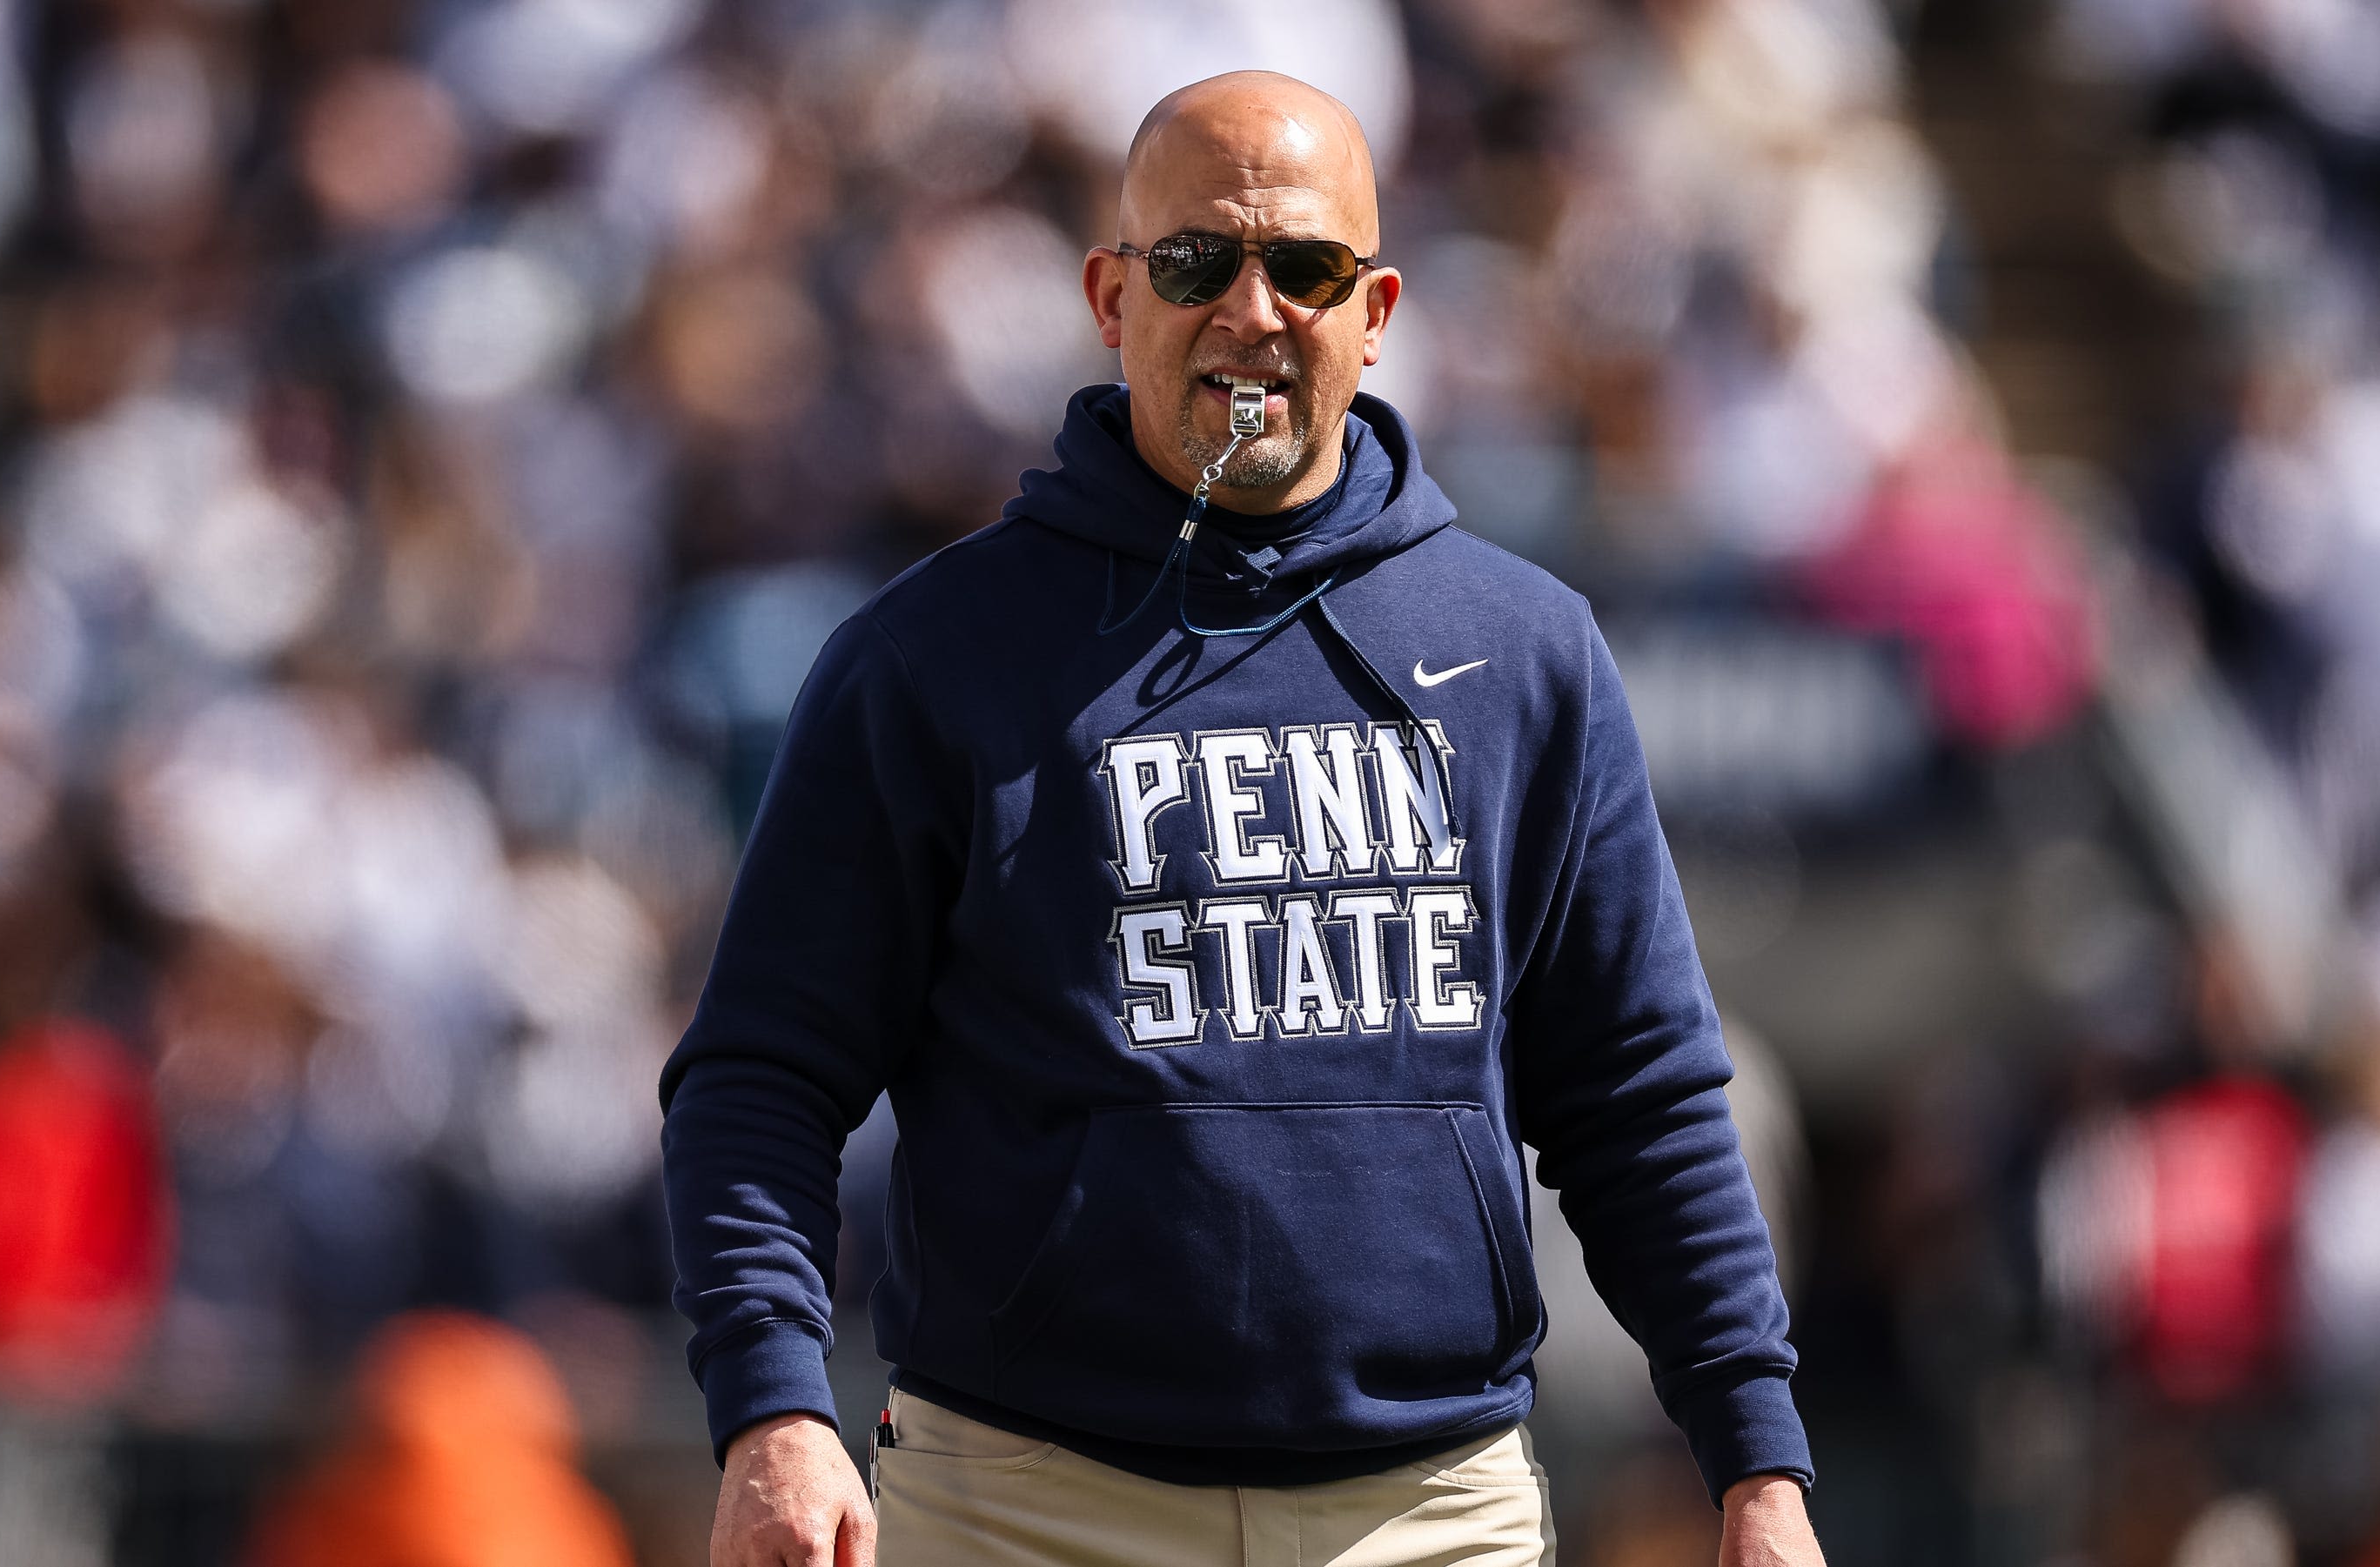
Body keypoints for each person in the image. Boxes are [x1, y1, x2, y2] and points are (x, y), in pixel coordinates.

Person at [659, 70, 1824, 1567]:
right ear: (1111, 295)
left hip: (1428, 1509)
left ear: (1379, 307)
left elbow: (1640, 1094)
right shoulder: (929, 657)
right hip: (1026, 1503)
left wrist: (1759, 1460)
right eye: (1201, 261)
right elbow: (761, 1076)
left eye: (1308, 268)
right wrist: (773, 1405)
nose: (1254, 310)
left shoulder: (1526, 652)